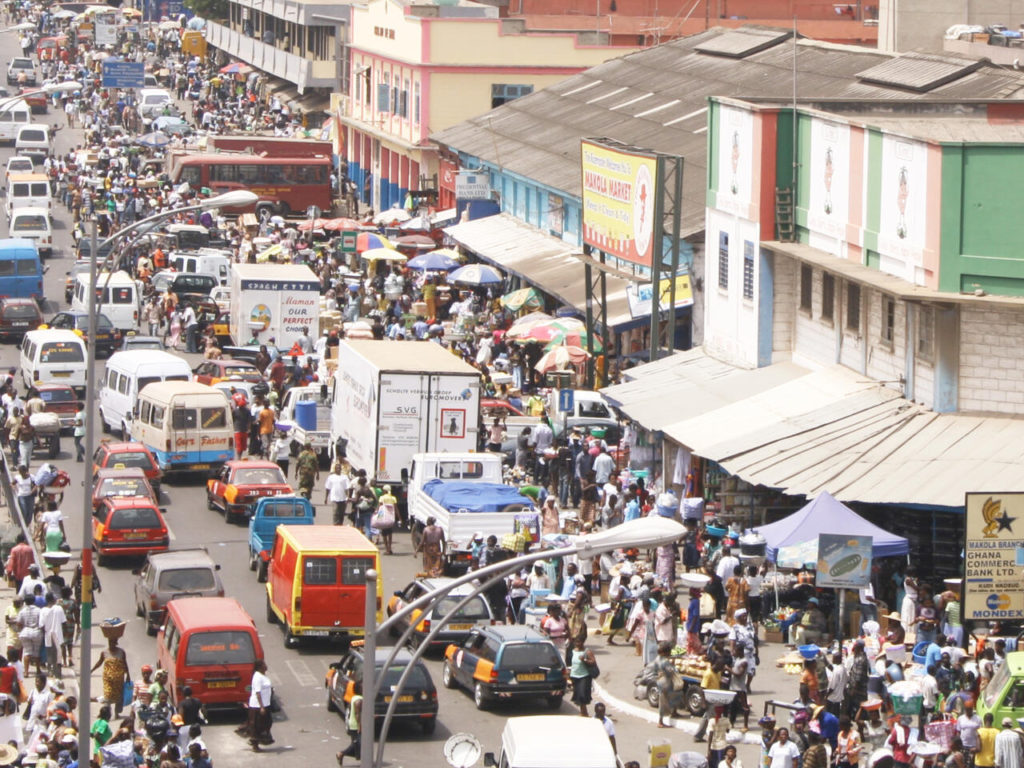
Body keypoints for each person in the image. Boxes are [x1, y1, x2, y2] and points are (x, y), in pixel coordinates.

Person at [91, 634, 129, 717]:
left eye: (113, 642)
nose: (111, 644)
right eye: (110, 642)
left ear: (116, 643)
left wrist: (128, 676)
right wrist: (92, 670)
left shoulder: (121, 652)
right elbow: (99, 662)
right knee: (107, 695)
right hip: (108, 680)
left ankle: (117, 713)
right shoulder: (104, 653)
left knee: (119, 696)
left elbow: (125, 664)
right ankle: (106, 713)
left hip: (119, 679)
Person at [245, 659, 273, 751]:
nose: (266, 666)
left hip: (266, 703)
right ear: (259, 667)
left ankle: (260, 739)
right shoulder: (257, 677)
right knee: (257, 725)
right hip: (257, 706)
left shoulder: (263, 676)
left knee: (267, 722)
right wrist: (261, 707)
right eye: (264, 664)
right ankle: (255, 744)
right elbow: (258, 693)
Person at [568, 637, 596, 717]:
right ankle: (583, 712)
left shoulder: (587, 651)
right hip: (574, 676)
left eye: (579, 642)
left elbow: (593, 662)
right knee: (578, 694)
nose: (577, 644)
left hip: (584, 676)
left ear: (582, 642)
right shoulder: (572, 651)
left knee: (582, 694)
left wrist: (584, 660)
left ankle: (584, 712)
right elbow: (570, 663)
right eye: (576, 642)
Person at [336, 680, 362, 766]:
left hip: (352, 724)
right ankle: (341, 753)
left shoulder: (353, 698)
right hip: (355, 725)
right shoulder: (359, 700)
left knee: (357, 744)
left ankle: (343, 754)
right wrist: (359, 726)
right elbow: (357, 714)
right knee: (358, 744)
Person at [324, 462, 350, 526]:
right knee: (335, 512)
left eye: (339, 468)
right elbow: (328, 488)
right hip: (334, 498)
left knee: (341, 514)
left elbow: (347, 488)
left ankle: (340, 525)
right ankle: (335, 525)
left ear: (341, 469)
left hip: (343, 498)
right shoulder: (331, 477)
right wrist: (326, 498)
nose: (338, 469)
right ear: (335, 469)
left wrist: (348, 497)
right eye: (337, 468)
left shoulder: (344, 477)